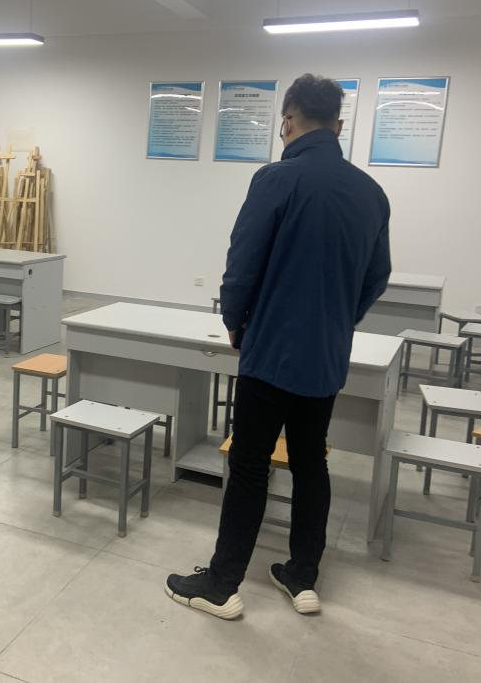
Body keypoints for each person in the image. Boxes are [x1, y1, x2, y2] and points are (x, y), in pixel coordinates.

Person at [165, 74, 391, 619]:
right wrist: (341, 320)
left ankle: (222, 584)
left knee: (249, 463)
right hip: (326, 356)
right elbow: (377, 275)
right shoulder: (370, 193)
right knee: (311, 462)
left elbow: (242, 264)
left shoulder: (275, 179)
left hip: (270, 351)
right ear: (340, 125)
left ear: (287, 121)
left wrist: (235, 322)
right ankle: (302, 577)